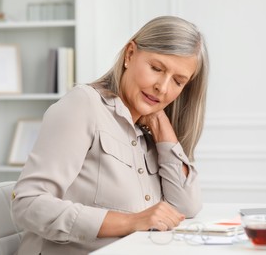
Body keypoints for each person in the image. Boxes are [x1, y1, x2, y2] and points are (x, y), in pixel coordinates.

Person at [11, 15, 209, 255]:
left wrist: (162, 128)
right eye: (156, 68)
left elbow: (186, 206)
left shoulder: (148, 132)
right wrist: (131, 222)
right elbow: (28, 205)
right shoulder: (83, 105)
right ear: (130, 54)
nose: (163, 88)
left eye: (178, 82)